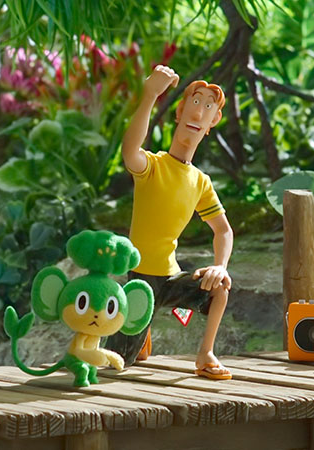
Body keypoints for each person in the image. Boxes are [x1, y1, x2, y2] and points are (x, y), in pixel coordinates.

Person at [105, 65, 234, 380]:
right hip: (140, 280)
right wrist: (150, 95)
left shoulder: (201, 182)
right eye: (195, 102)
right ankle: (141, 333)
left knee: (220, 288)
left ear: (214, 121)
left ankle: (205, 354)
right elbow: (130, 151)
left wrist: (220, 266)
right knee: (117, 362)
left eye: (208, 107)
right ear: (179, 112)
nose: (199, 112)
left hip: (172, 278)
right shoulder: (153, 166)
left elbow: (223, 230)